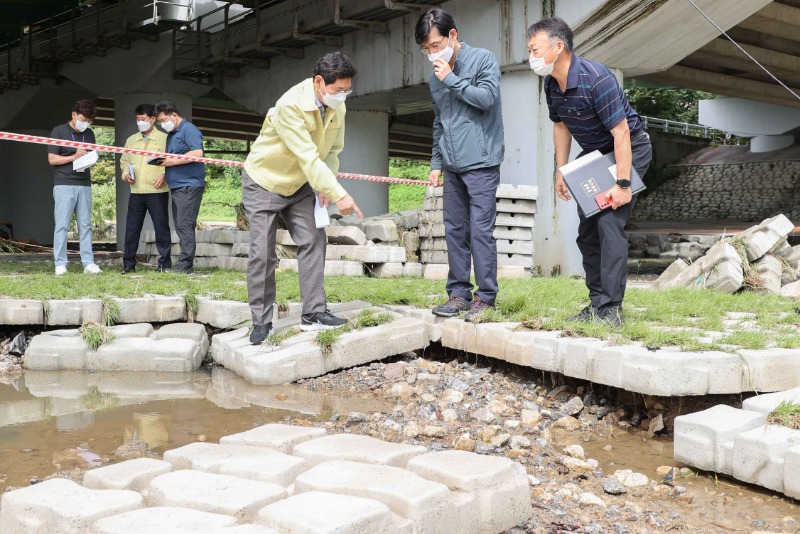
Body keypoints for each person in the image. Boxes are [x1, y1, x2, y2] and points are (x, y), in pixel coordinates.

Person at [527, 17, 653, 326]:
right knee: (587, 232)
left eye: (534, 49)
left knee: (609, 224)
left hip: (629, 148)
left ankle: (613, 309)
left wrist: (623, 184)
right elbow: (560, 126)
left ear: (558, 47)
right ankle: (598, 305)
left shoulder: (597, 78)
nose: (530, 56)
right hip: (594, 155)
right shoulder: (550, 83)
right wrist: (561, 171)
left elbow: (621, 133)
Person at [242, 51, 363, 344]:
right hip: (265, 182)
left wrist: (324, 186)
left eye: (347, 91)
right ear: (319, 82)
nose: (343, 96)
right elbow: (308, 156)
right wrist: (340, 194)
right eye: (338, 91)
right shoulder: (290, 105)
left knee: (313, 239)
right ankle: (261, 322)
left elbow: (331, 152)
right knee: (262, 253)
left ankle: (314, 313)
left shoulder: (338, 108)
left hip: (300, 186)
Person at [415, 8, 505, 322]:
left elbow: (487, 99)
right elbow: (440, 121)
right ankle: (457, 294)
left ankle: (486, 297)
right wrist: (436, 163)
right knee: (454, 230)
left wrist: (451, 79)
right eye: (426, 48)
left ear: (453, 35)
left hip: (481, 161)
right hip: (451, 164)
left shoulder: (483, 59)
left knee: (480, 231)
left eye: (436, 45)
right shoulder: (434, 77)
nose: (432, 52)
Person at [47, 99, 102, 276]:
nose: (85, 123)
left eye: (89, 121)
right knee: (62, 225)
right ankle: (60, 263)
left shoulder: (90, 134)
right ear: (74, 115)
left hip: (84, 183)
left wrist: (91, 160)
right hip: (64, 183)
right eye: (83, 119)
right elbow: (52, 159)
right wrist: (74, 156)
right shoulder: (59, 131)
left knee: (85, 225)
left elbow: (91, 155)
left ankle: (88, 262)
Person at [154, 100, 205, 274]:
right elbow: (174, 157)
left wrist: (172, 162)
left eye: (163, 120)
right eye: (159, 122)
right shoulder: (173, 134)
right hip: (177, 186)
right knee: (180, 225)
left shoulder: (189, 130)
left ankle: (185, 266)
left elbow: (197, 153)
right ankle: (184, 263)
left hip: (189, 186)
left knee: (184, 225)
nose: (162, 125)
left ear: (173, 115)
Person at [119, 104, 171, 274]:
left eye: (143, 119)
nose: (140, 122)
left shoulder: (164, 139)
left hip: (157, 191)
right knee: (132, 229)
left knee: (161, 228)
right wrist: (126, 174)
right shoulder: (131, 140)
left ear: (153, 119)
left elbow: (171, 162)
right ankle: (128, 264)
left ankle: (164, 264)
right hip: (136, 192)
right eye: (138, 119)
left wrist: (164, 175)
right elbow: (124, 162)